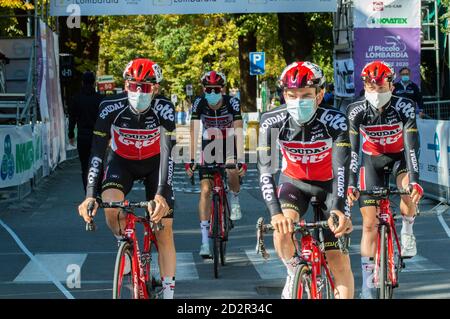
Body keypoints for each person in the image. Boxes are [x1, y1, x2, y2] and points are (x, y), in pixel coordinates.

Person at [77, 58, 177, 299]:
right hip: (123, 163)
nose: (139, 92)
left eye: (145, 88)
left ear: (157, 88)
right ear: (125, 85)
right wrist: (90, 194)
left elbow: (168, 153)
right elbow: (97, 151)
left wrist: (161, 194)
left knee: (165, 230)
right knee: (111, 209)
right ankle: (128, 248)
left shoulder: (164, 107)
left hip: (156, 165)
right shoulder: (110, 105)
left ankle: (169, 293)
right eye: (133, 86)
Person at [258, 61, 354, 299]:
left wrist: (340, 210)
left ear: (320, 95)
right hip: (294, 183)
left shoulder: (336, 120)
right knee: (281, 229)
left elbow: (342, 166)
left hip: (330, 186)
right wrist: (275, 213)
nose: (298, 101)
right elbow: (265, 169)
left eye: (306, 95)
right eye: (292, 95)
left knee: (337, 261)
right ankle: (294, 270)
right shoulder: (271, 120)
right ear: (284, 94)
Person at [346, 60, 423, 299]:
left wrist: (415, 180)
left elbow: (412, 146)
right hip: (372, 160)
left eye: (381, 87)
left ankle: (408, 228)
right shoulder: (356, 109)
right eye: (371, 88)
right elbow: (352, 150)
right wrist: (350, 182)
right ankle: (368, 286)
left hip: (401, 158)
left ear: (391, 85)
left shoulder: (405, 106)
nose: (376, 92)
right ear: (364, 87)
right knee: (369, 224)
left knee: (407, 190)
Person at [184, 70, 247, 258]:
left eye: (216, 89)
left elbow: (239, 131)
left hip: (229, 143)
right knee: (205, 190)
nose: (212, 92)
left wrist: (241, 159)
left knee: (232, 169)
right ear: (203, 89)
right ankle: (204, 242)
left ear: (222, 89)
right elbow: (194, 131)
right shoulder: (199, 103)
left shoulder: (232, 103)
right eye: (208, 89)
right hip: (208, 146)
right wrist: (191, 158)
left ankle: (234, 199)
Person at [68, 71, 104, 193]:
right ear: (94, 83)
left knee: (85, 166)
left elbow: (72, 118)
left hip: (83, 136)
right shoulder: (100, 99)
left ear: (82, 82)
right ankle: (98, 190)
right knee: (98, 164)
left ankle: (88, 192)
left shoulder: (76, 98)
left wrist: (71, 134)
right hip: (98, 137)